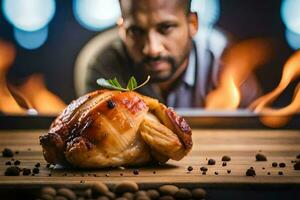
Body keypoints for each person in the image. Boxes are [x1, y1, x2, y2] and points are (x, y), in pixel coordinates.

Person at [82, 0, 261, 108]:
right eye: (136, 31)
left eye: (165, 28)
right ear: (122, 30)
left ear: (192, 24)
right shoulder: (103, 67)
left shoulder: (224, 61)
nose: (152, 49)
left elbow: (258, 130)